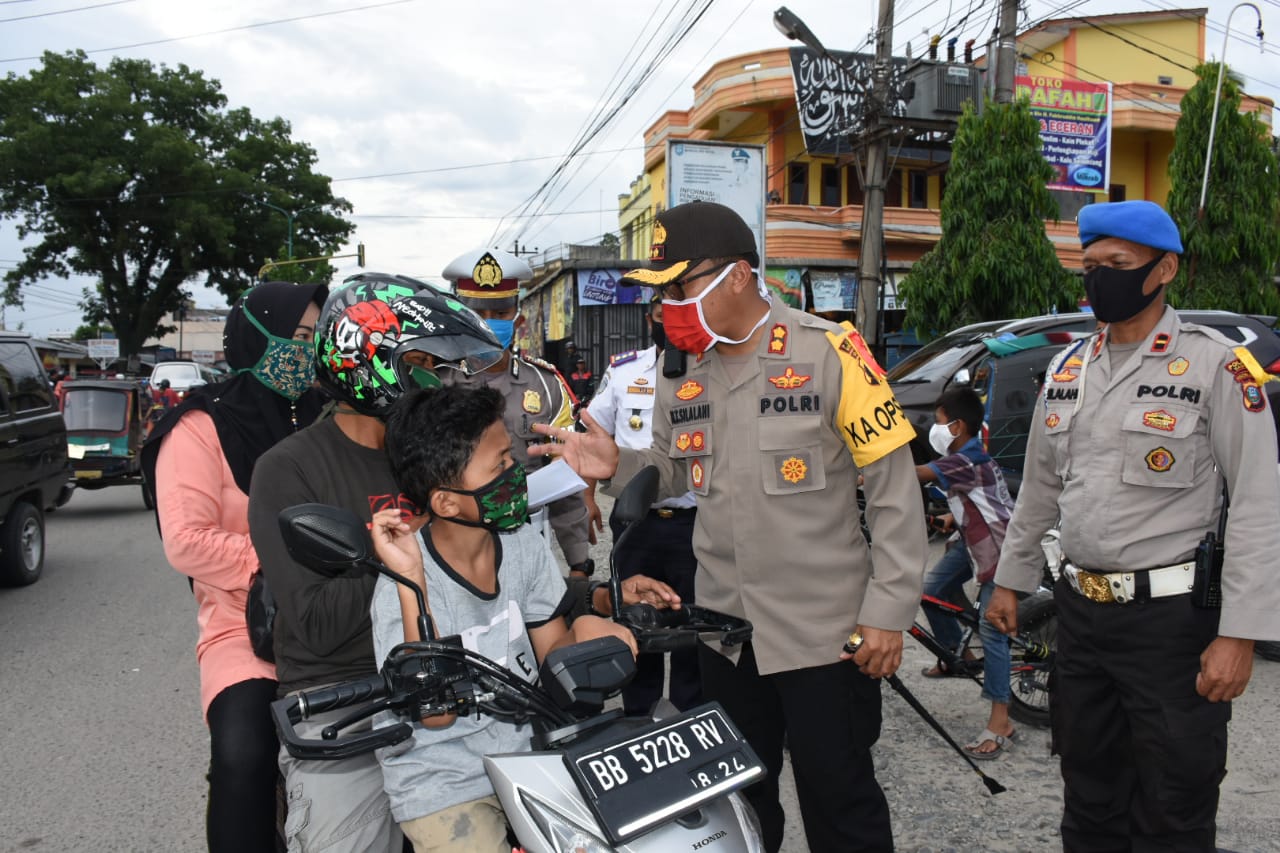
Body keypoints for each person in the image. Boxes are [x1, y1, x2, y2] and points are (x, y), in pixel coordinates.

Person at [530, 200, 929, 852]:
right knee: (740, 807)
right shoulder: (679, 372)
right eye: (664, 295)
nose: (669, 309)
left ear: (738, 275)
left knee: (841, 804)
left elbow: (892, 490)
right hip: (724, 635)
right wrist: (617, 464)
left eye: (682, 288)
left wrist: (887, 611)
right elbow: (674, 470)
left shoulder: (830, 352)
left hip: (824, 636)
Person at [986, 200, 1280, 852]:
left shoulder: (1216, 368)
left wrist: (1240, 633)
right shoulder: (1068, 370)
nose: (1097, 280)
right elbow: (1037, 488)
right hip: (1081, 618)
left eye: (1115, 266)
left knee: (1173, 805)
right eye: (1089, 267)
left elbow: (1260, 500)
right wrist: (1010, 579)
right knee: (1088, 798)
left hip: (1171, 628)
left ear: (1163, 268)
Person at [248, 273, 506, 853]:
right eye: (423, 361)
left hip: (455, 678)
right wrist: (402, 562)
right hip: (346, 695)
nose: (438, 378)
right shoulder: (287, 468)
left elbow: (497, 569)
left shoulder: (432, 452)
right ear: (371, 363)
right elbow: (314, 622)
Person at [366, 385, 639, 853]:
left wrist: (589, 635)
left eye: (511, 461)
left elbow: (550, 653)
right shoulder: (402, 583)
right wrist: (411, 580)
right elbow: (435, 717)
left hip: (528, 753)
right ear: (447, 503)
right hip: (442, 777)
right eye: (499, 467)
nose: (515, 475)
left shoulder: (520, 543)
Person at [144, 280, 329, 853]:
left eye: (316, 337)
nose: (307, 351)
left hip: (341, 614)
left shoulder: (332, 414)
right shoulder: (202, 427)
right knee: (243, 755)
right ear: (255, 336)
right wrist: (288, 558)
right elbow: (187, 542)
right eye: (297, 337)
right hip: (248, 627)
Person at [439, 247, 595, 578]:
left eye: (500, 310)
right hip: (454, 547)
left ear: (517, 317)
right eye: (478, 311)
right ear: (458, 314)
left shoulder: (546, 385)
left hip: (529, 545)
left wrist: (578, 561)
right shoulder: (435, 383)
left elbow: (563, 479)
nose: (490, 320)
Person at [585, 295, 702, 716]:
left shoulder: (712, 369)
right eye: (660, 314)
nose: (668, 322)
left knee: (693, 624)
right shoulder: (624, 370)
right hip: (636, 522)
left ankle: (691, 716)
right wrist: (587, 497)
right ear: (649, 317)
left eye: (678, 312)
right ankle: (638, 716)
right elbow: (594, 427)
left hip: (694, 522)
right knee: (634, 618)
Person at [915, 387, 1017, 759]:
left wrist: (866, 474)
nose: (936, 428)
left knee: (993, 630)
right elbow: (974, 500)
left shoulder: (966, 457)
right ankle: (962, 657)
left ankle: (1001, 721)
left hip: (1000, 551)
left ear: (957, 426)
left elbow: (919, 473)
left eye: (940, 421)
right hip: (972, 542)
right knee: (934, 589)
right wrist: (948, 518)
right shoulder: (964, 456)